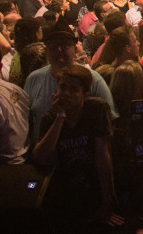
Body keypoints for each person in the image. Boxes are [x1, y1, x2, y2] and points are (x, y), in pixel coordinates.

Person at [32, 64, 123, 230]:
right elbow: (39, 157)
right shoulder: (50, 119)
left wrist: (107, 200)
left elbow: (102, 156)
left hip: (94, 191)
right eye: (62, 87)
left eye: (74, 89)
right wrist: (60, 117)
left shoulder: (96, 110)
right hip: (66, 197)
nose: (66, 93)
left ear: (84, 94)